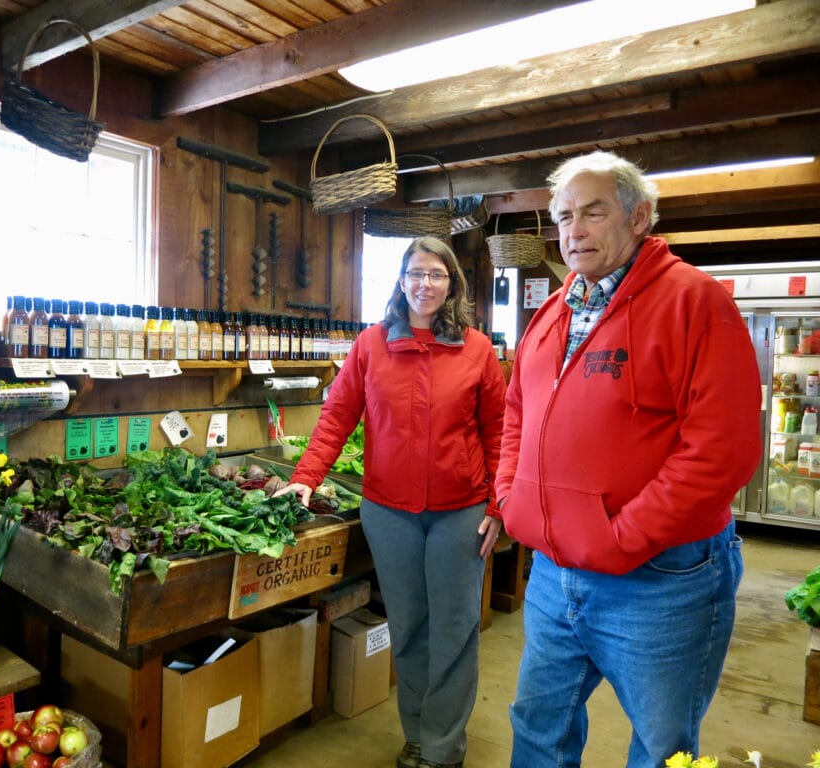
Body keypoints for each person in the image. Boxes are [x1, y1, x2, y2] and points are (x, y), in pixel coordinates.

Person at [492, 150, 762, 768]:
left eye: (592, 213)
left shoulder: (693, 301)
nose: (574, 231)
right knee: (538, 728)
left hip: (661, 579)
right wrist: (512, 498)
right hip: (554, 574)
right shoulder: (553, 311)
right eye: (563, 217)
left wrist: (624, 536)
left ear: (639, 217)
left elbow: (722, 450)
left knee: (660, 745)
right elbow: (517, 415)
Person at [275, 236, 506, 768]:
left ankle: (444, 747)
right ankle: (419, 736)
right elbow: (337, 418)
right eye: (416, 274)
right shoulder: (371, 345)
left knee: (453, 628)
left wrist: (497, 504)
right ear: (401, 281)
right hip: (390, 513)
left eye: (437, 275)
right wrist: (308, 475)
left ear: (452, 285)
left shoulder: (475, 349)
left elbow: (499, 432)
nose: (426, 284)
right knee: (408, 625)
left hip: (460, 512)